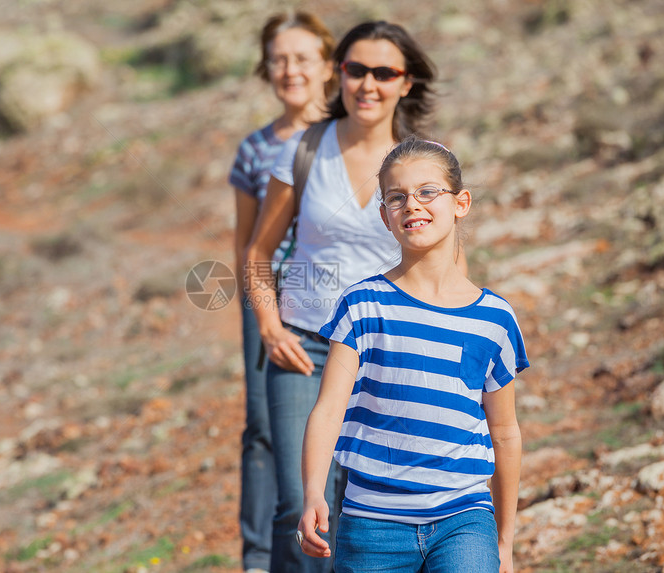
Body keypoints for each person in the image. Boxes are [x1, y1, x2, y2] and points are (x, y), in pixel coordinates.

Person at [244, 21, 443, 573]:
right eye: (357, 70)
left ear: (406, 82)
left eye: (385, 72)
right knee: (298, 508)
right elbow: (258, 255)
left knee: (368, 515)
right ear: (339, 73)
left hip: (388, 357)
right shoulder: (304, 149)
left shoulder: (425, 164)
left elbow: (445, 270)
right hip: (303, 353)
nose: (368, 84)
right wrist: (269, 327)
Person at [298, 136, 529, 573]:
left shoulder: (496, 319)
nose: (412, 205)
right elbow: (328, 411)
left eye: (428, 192)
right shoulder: (362, 304)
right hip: (370, 526)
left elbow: (505, 432)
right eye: (397, 197)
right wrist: (313, 492)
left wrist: (505, 540)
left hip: (464, 519)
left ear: (461, 203)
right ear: (385, 216)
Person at [228, 12, 336, 573]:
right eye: (278, 59)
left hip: (336, 301)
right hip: (270, 301)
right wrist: (261, 319)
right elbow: (247, 244)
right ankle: (257, 556)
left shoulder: (351, 135)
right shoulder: (254, 149)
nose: (289, 70)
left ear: (326, 64)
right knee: (265, 430)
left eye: (300, 58)